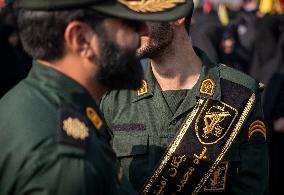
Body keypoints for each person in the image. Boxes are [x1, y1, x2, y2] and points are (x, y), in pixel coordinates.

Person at [0, 0, 193, 194]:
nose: (141, 32)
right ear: (81, 39)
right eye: (129, 24)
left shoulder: (26, 101)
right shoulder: (68, 162)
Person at [100, 2, 269, 194]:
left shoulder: (239, 94)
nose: (130, 24)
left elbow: (253, 187)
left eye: (141, 12)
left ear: (176, 15)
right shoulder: (116, 99)